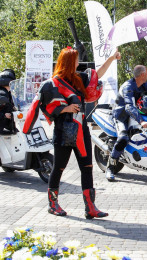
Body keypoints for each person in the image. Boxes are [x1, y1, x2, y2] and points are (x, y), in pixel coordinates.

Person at [23, 47, 121, 218]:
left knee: (87, 168)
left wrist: (112, 58)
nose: (78, 62)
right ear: (68, 61)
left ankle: (90, 208)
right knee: (58, 168)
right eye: (75, 60)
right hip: (63, 132)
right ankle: (52, 205)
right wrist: (65, 108)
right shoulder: (52, 84)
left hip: (82, 131)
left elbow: (98, 74)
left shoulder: (79, 78)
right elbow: (44, 107)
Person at [106, 65, 147, 181]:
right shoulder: (128, 87)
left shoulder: (144, 84)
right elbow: (129, 107)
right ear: (142, 75)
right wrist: (141, 121)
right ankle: (110, 167)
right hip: (121, 116)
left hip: (134, 113)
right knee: (123, 139)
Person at [0, 69, 16, 134]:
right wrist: (4, 115)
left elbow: (12, 103)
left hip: (5, 125)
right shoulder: (2, 93)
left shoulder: (7, 92)